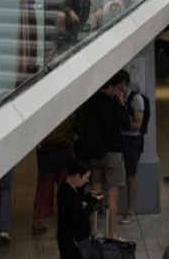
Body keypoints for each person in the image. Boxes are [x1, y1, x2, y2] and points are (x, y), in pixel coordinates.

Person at [83, 72, 131, 240]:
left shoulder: (90, 102)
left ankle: (94, 232)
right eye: (115, 88)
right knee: (113, 196)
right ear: (110, 86)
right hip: (113, 152)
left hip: (95, 154)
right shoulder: (112, 104)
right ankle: (113, 234)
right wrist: (121, 104)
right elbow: (125, 124)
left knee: (95, 192)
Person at [56, 161, 100, 259]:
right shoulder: (67, 193)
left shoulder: (73, 189)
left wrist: (89, 197)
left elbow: (80, 201)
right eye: (85, 177)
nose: (87, 181)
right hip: (71, 242)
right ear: (77, 176)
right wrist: (92, 205)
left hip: (77, 238)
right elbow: (79, 216)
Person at [118, 70, 145, 225]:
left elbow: (137, 124)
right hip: (119, 138)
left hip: (132, 140)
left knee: (130, 174)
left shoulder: (136, 99)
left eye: (119, 84)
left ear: (125, 83)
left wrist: (121, 108)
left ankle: (131, 210)